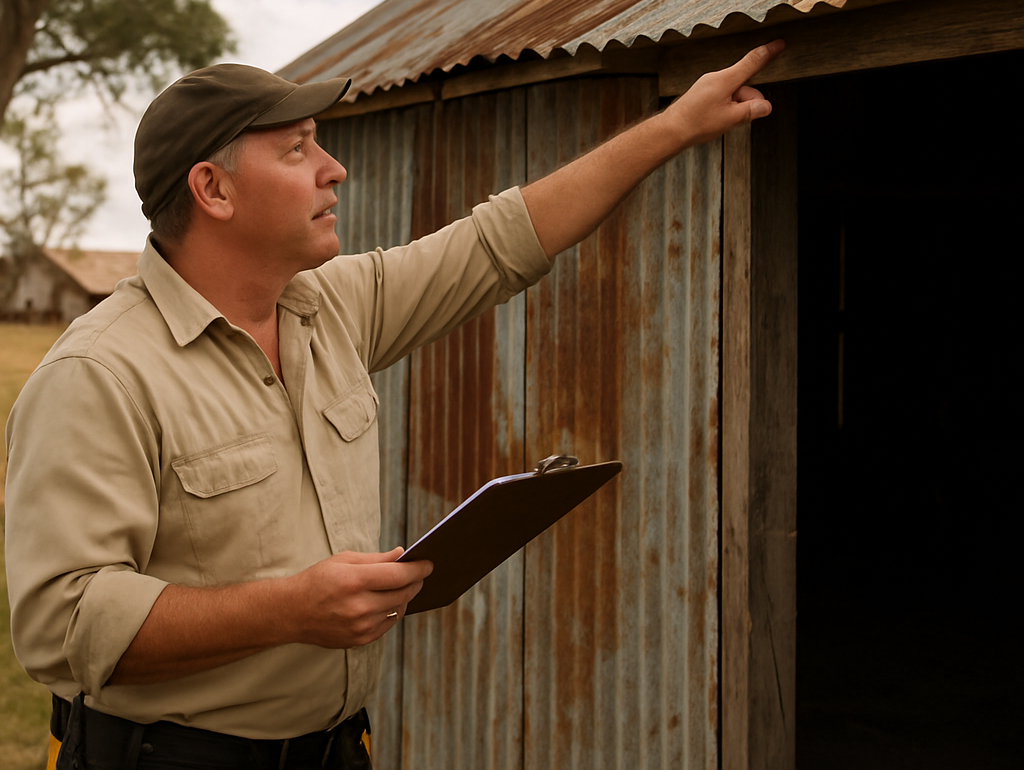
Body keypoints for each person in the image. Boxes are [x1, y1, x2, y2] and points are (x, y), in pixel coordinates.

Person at [4, 40, 782, 769]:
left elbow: (499, 243)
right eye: (298, 147)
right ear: (212, 189)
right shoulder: (99, 373)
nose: (333, 168)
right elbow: (61, 623)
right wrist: (287, 611)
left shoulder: (329, 307)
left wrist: (675, 125)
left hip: (338, 746)